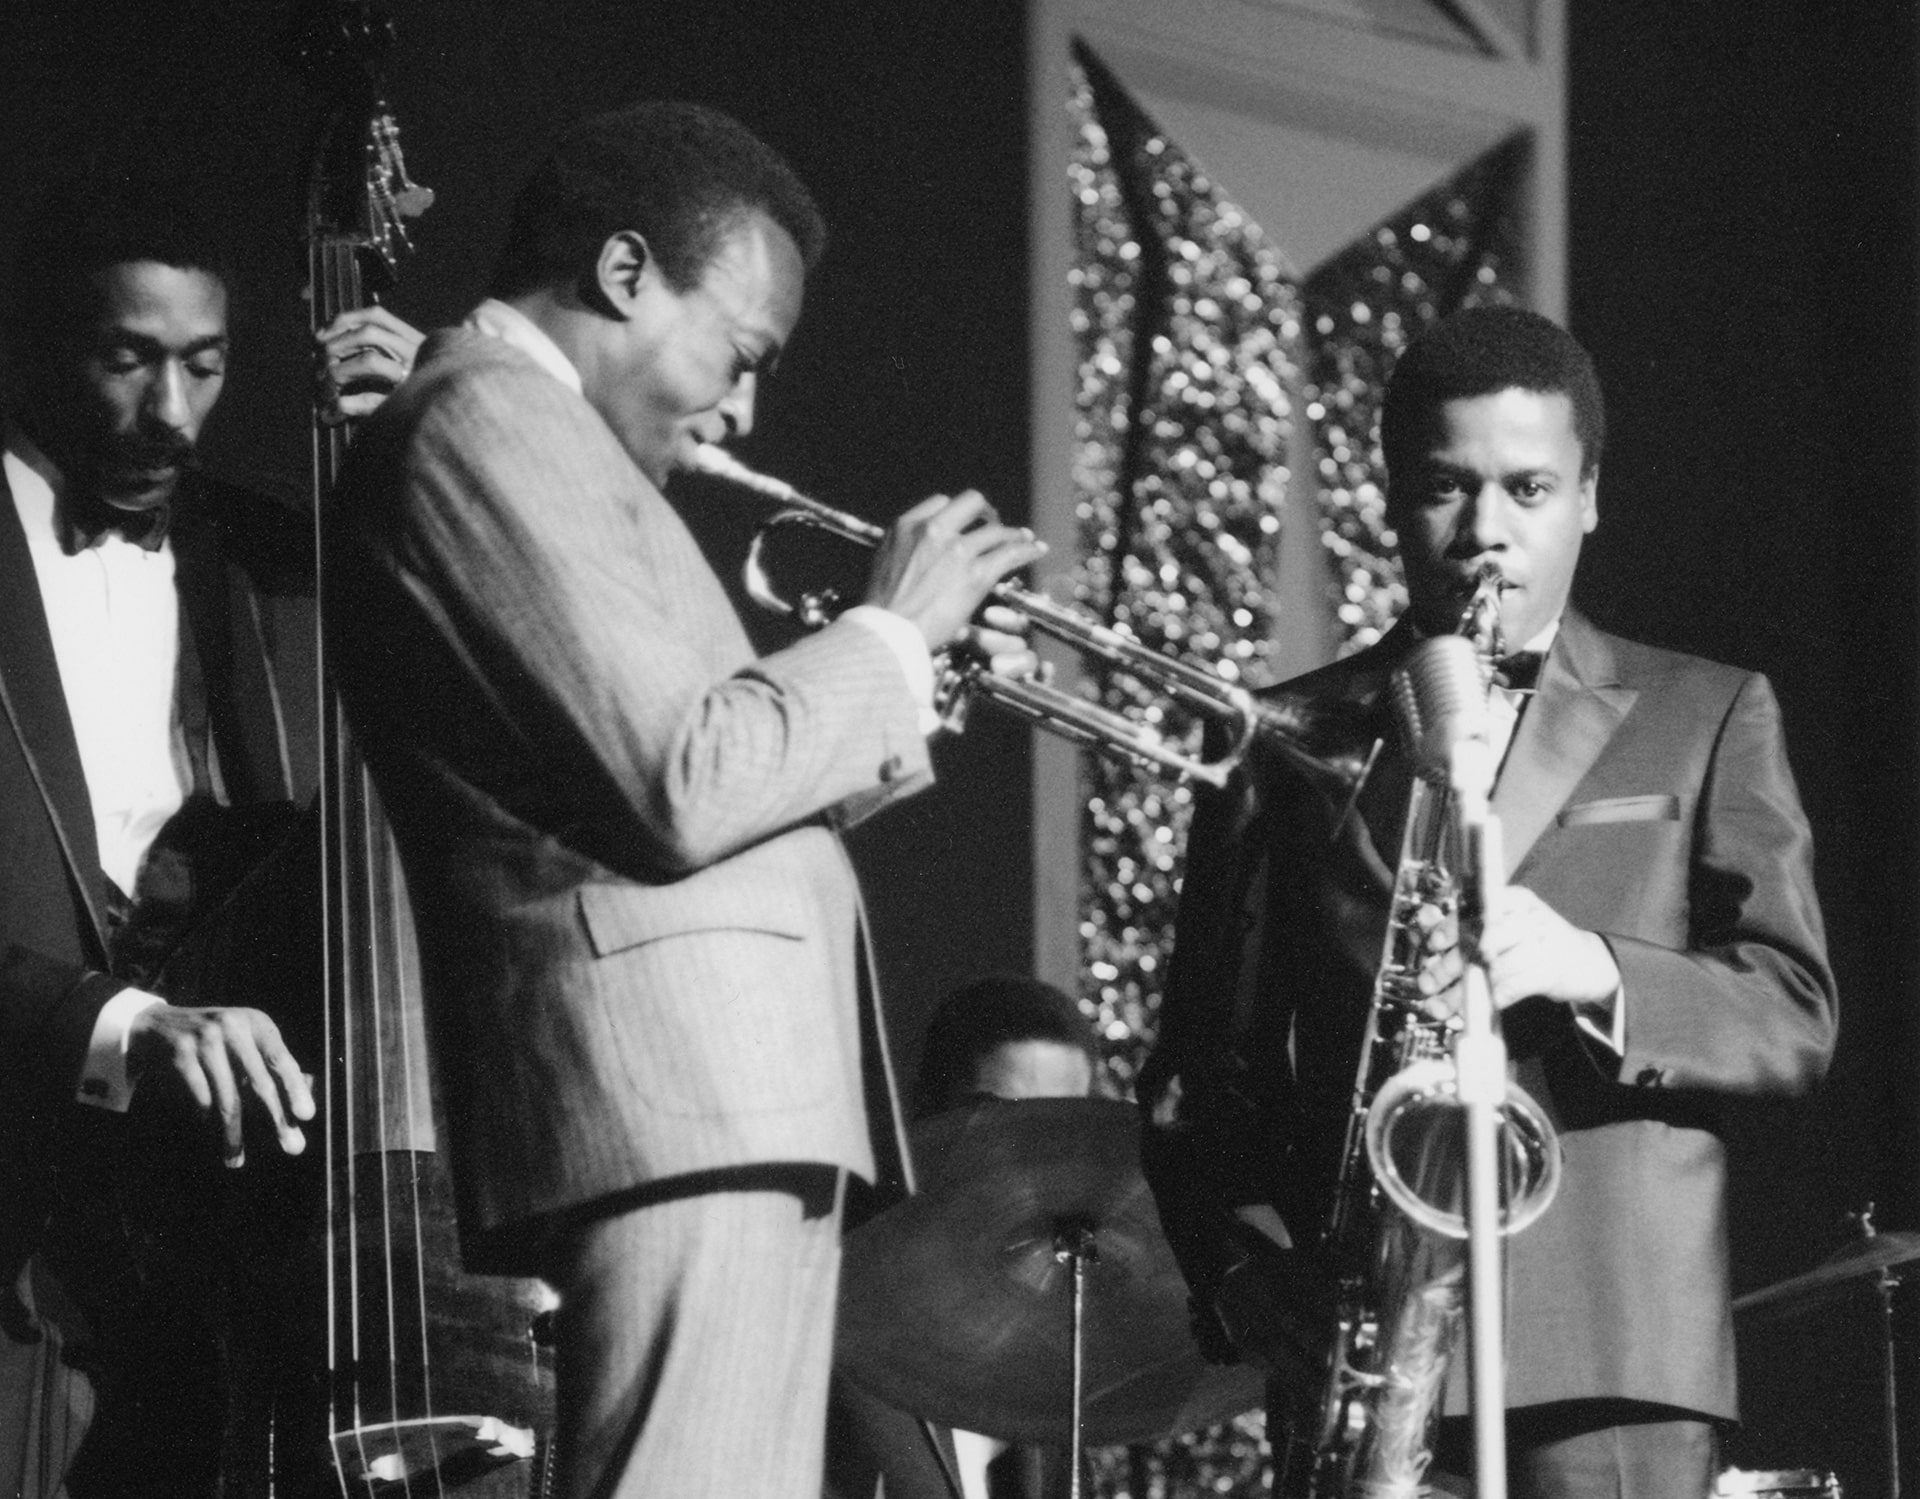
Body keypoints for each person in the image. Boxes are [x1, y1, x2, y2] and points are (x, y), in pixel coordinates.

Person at [322, 100, 1047, 1499]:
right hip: (671, 1097)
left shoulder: (554, 443)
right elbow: (683, 773)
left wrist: (917, 682)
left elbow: (668, 792)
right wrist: (888, 635)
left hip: (724, 1096)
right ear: (624, 273)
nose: (744, 412)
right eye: (740, 353)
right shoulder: (487, 414)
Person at [1139, 305, 1836, 1499]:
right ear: (1390, 496)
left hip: (1614, 1348)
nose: (1486, 537)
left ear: (1590, 496)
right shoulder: (1282, 740)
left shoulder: (1710, 709)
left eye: (1528, 490)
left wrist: (1594, 967)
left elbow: (1794, 1011)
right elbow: (1196, 1074)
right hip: (1364, 1354)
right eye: (1446, 490)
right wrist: (1246, 1281)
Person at [0, 177, 422, 1494]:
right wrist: (116, 1023)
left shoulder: (283, 561)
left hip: (221, 1241)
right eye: (127, 360)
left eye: (206, 364)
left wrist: (441, 442)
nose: (173, 412)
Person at [826, 973, 1101, 1499]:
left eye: (1056, 1127)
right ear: (928, 1114)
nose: (1025, 1153)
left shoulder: (1055, 1355)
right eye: (995, 1115)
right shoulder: (838, 1316)